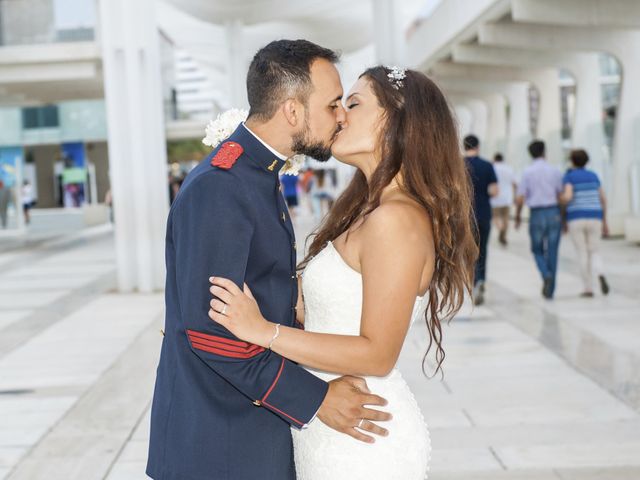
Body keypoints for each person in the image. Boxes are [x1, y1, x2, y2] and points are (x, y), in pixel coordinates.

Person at [208, 66, 477, 479]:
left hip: (365, 436)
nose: (340, 116)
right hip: (333, 423)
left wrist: (264, 332)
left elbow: (377, 353)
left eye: (352, 103)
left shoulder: (396, 220)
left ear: (397, 118)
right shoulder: (366, 210)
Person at [147, 40, 392, 480]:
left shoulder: (255, 175)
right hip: (217, 443)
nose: (341, 116)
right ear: (293, 112)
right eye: (333, 104)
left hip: (242, 435)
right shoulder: (222, 187)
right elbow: (210, 333)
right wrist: (315, 398)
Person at [515, 140, 563, 299]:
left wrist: (517, 216)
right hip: (553, 211)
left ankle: (545, 273)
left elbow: (521, 197)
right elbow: (560, 195)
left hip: (536, 213)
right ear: (544, 151)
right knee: (553, 251)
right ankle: (551, 289)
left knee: (536, 249)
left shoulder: (527, 172)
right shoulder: (555, 170)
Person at [560, 149, 610, 297]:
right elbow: (603, 199)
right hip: (595, 216)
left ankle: (588, 288)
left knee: (582, 252)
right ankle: (600, 272)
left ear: (572, 161)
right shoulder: (593, 176)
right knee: (594, 250)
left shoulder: (569, 177)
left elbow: (568, 196)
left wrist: (559, 198)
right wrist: (605, 221)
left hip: (577, 217)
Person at [463, 135, 498, 306]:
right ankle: (481, 279)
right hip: (484, 214)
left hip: (465, 215)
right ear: (478, 146)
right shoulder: (487, 166)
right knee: (482, 248)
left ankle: (473, 281)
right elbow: (494, 191)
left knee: (468, 251)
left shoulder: (459, 165)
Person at [490, 153, 517, 246]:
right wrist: (514, 196)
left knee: (495, 217)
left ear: (495, 159)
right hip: (507, 198)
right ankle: (503, 235)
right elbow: (514, 184)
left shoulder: (492, 167)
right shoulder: (509, 169)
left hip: (495, 198)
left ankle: (500, 228)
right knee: (505, 218)